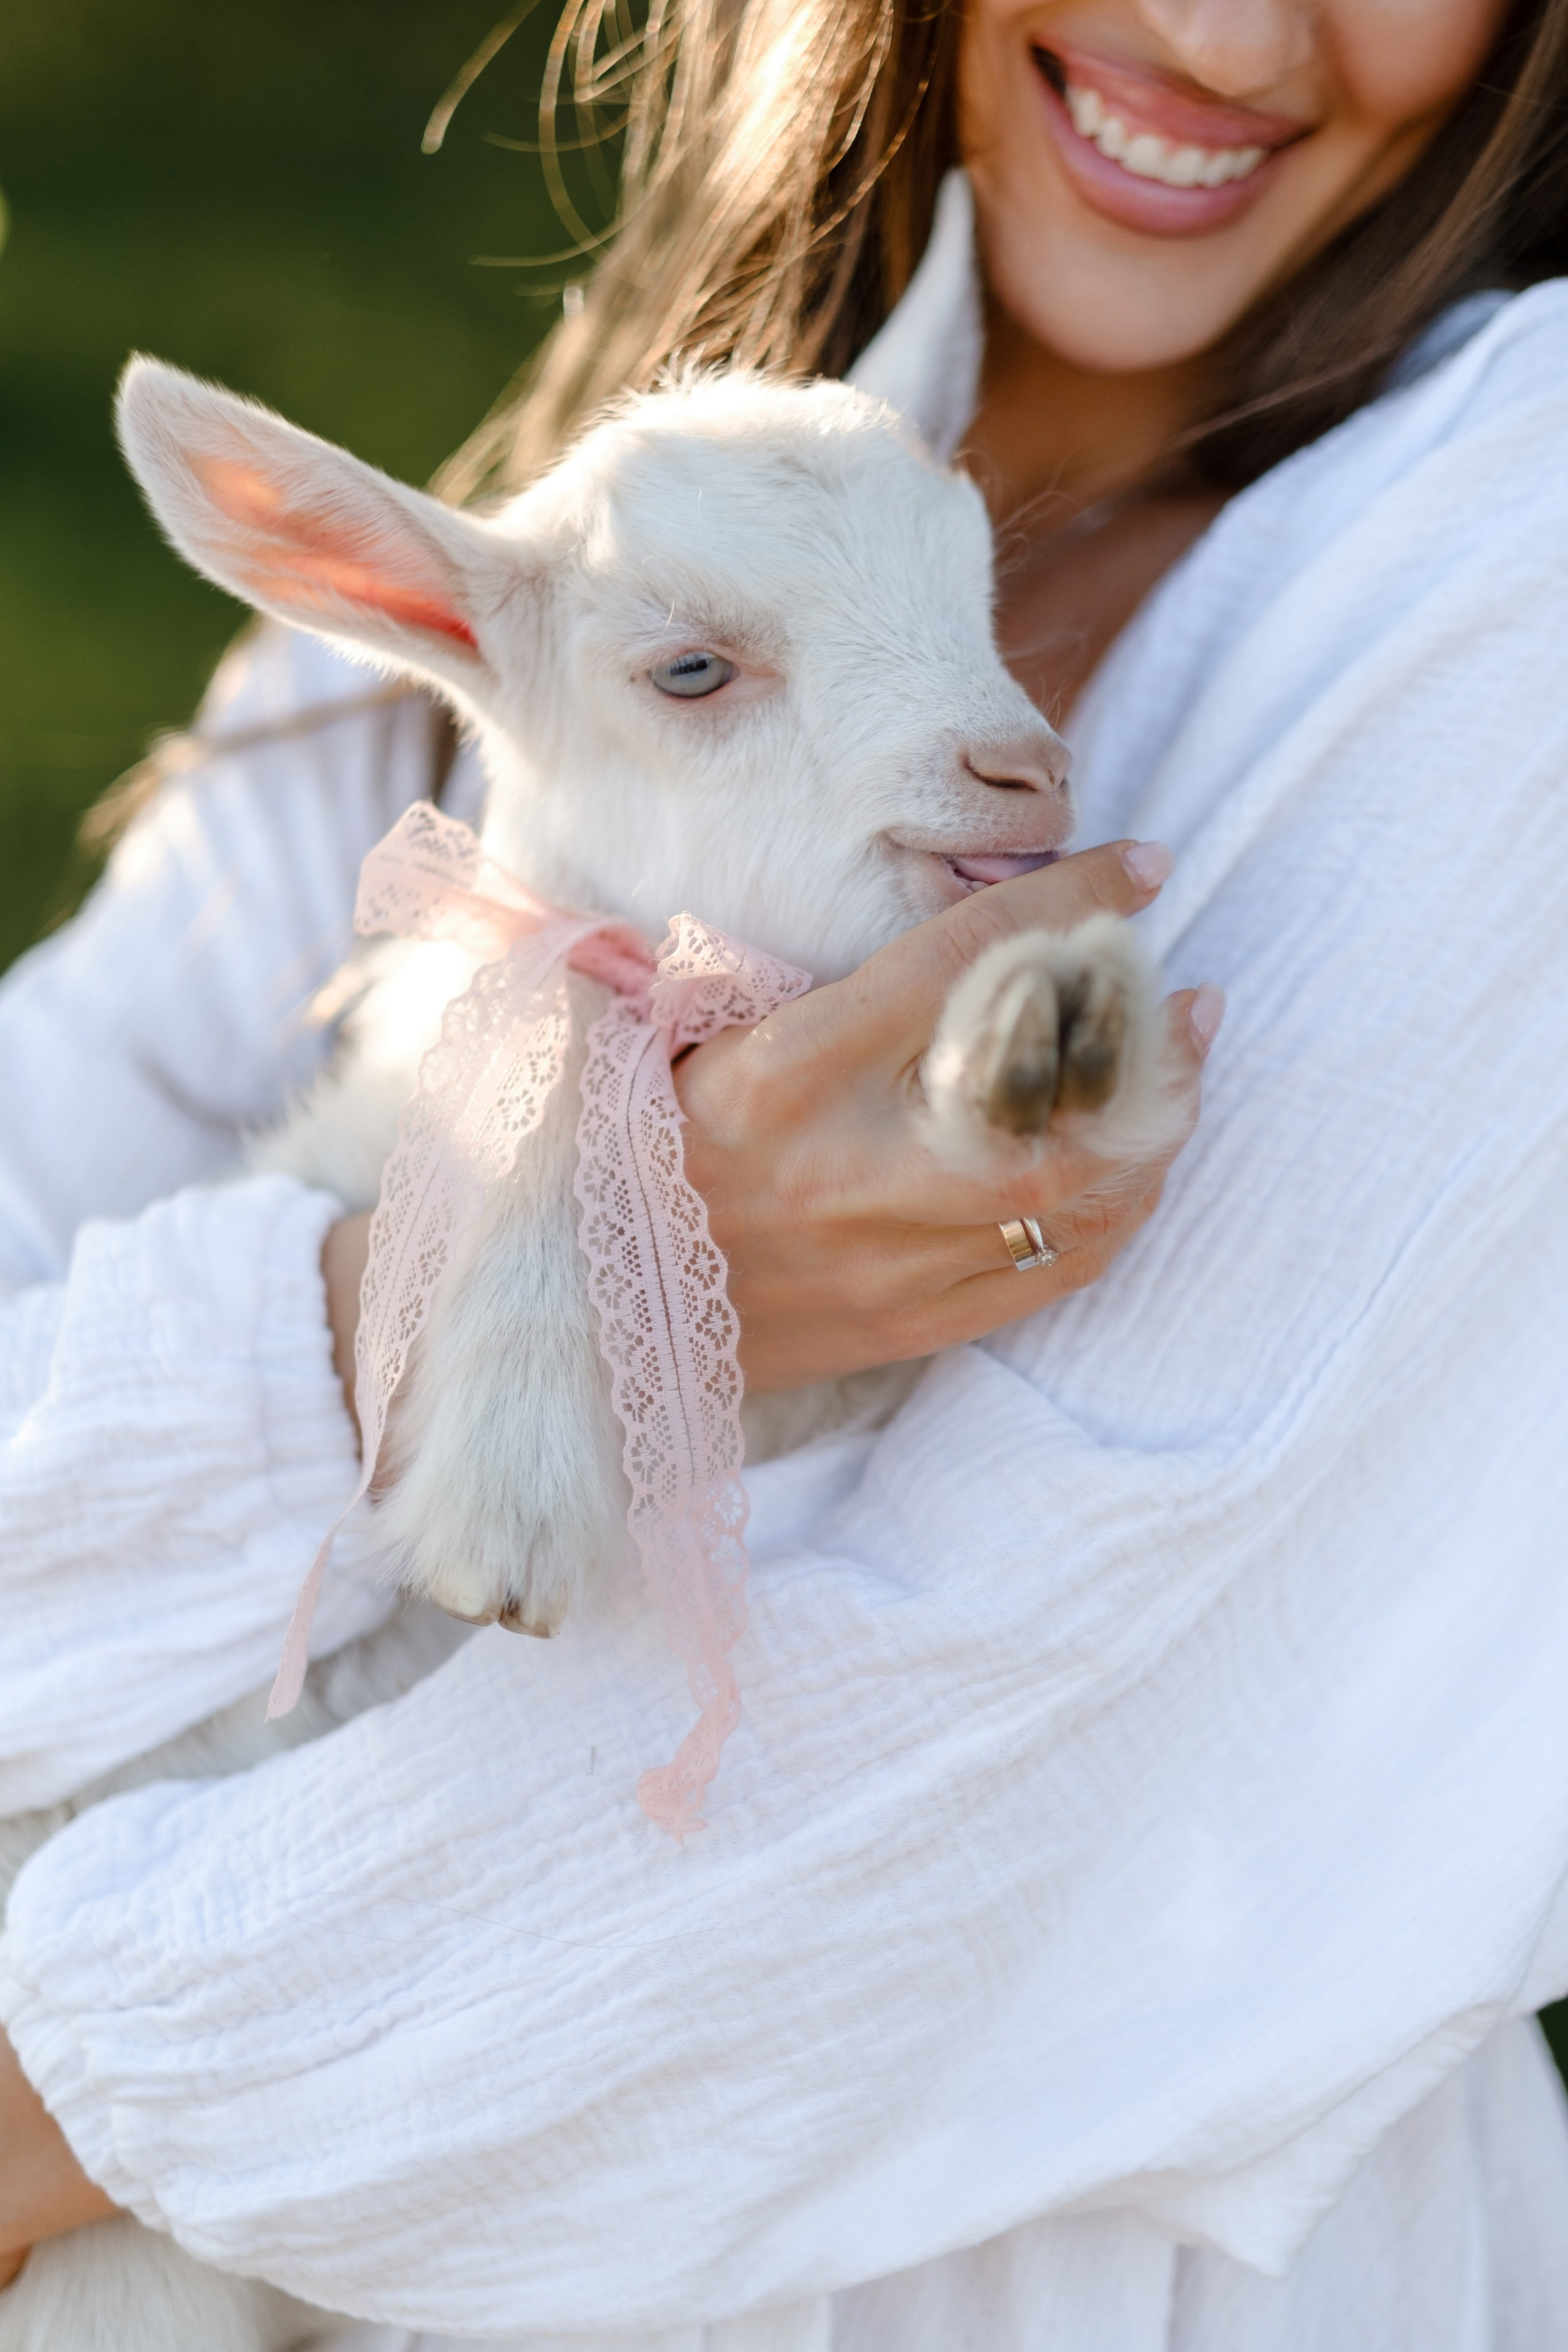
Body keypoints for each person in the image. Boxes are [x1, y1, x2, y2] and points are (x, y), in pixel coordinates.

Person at [4, 0, 1568, 2342]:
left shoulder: (1519, 535)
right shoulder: (549, 537)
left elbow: (1023, 1744)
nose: (1223, 30)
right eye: (699, 684)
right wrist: (482, 1271)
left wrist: (64, 2110)